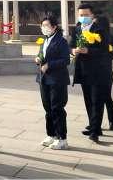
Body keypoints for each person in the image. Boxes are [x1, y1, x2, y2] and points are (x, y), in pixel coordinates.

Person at [70, 4, 113, 143]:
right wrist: (73, 50)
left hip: (98, 70)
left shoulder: (100, 29)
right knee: (88, 100)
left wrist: (88, 51)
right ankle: (94, 125)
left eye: (86, 15)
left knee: (97, 101)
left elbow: (105, 50)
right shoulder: (77, 28)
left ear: (92, 15)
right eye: (81, 15)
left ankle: (95, 131)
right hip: (83, 70)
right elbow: (71, 45)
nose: (83, 17)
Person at [36, 16, 70, 150]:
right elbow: (42, 55)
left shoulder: (61, 41)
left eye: (46, 25)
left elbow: (66, 60)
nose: (44, 28)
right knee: (48, 108)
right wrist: (38, 58)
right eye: (42, 25)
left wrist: (50, 65)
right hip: (44, 78)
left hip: (57, 79)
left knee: (57, 108)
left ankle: (62, 138)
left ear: (54, 27)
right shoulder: (44, 40)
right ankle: (51, 135)